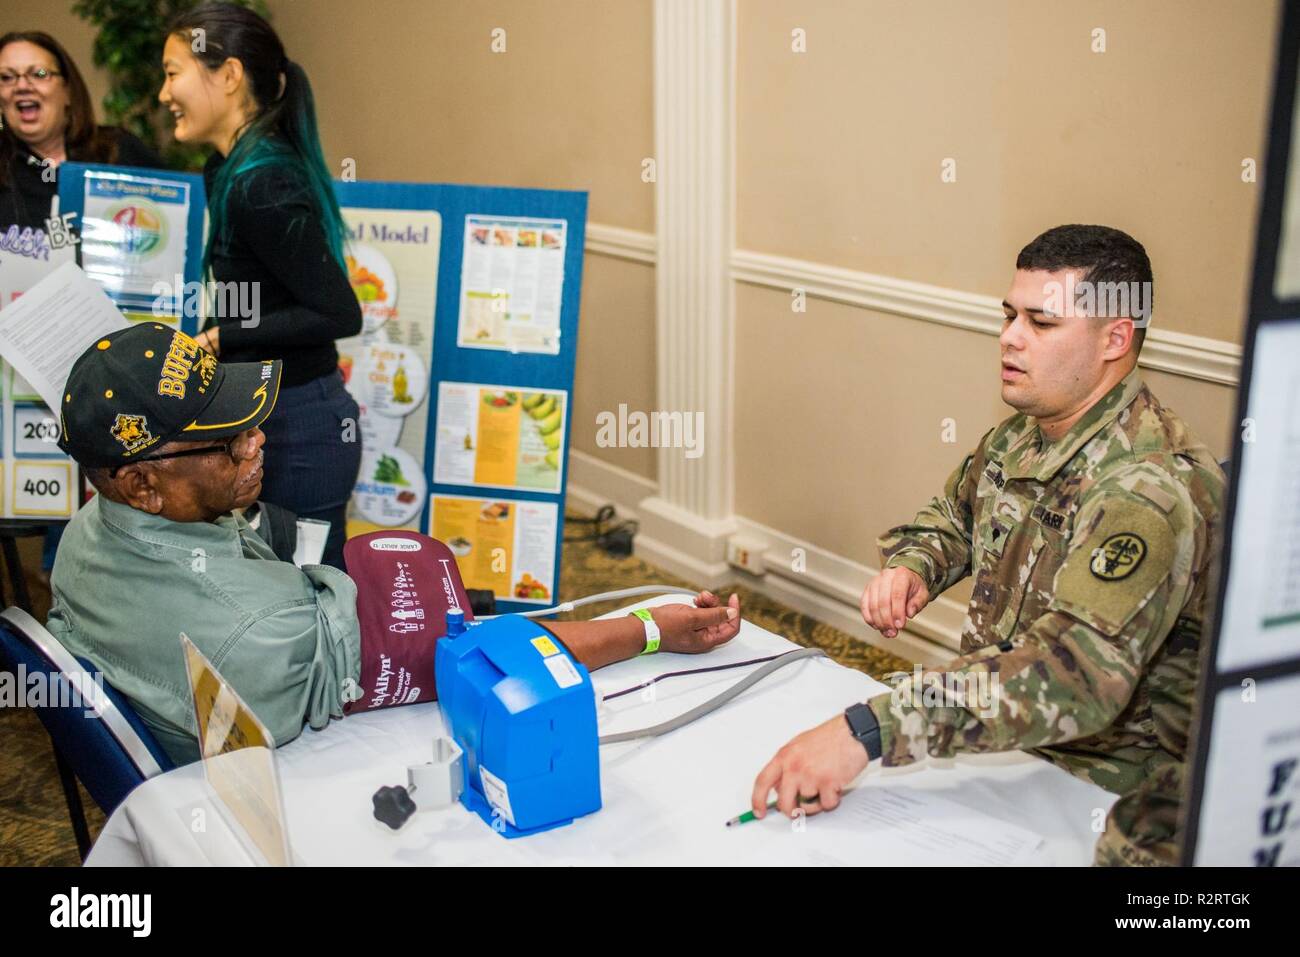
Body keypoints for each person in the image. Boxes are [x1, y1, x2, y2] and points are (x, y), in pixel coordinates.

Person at [46, 325, 742, 765]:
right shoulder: (255, 632)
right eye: (230, 441)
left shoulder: (86, 533)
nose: (258, 440)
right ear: (140, 483)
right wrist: (648, 628)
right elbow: (461, 656)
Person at [749, 224, 1225, 867]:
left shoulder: (1149, 490)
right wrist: (917, 566)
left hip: (1108, 793)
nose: (1009, 337)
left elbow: (1075, 675)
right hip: (1008, 740)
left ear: (1116, 338)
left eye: (1041, 322)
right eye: (1008, 315)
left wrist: (872, 730)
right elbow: (954, 517)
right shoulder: (1023, 436)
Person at [158, 2, 362, 570]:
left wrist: (225, 337)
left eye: (173, 72)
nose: (162, 92)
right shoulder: (225, 169)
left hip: (302, 427)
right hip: (262, 412)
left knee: (311, 598)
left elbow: (339, 313)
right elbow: (246, 286)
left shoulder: (263, 182)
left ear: (227, 76)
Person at [0, 31, 163, 581]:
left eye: (38, 73)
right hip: (28, 377)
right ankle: (62, 589)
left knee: (129, 542)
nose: (22, 85)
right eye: (6, 76)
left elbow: (177, 231)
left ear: (68, 89)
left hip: (125, 360)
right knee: (66, 558)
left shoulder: (119, 153)